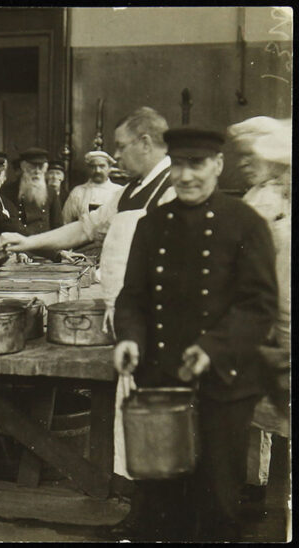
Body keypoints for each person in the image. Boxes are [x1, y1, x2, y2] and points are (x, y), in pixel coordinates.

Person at [112, 127, 277, 542]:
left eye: (197, 164)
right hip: (162, 384)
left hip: (223, 385)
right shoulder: (153, 225)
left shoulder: (245, 224)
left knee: (217, 501)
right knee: (160, 499)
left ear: (218, 166)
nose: (185, 176)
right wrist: (129, 337)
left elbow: (258, 306)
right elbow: (132, 298)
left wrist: (212, 348)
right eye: (178, 165)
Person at [1, 107, 178, 481]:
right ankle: (136, 503)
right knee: (132, 417)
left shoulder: (171, 188)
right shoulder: (134, 189)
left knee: (156, 422)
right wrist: (27, 242)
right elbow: (85, 228)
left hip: (156, 323)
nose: (116, 156)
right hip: (126, 318)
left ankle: (156, 516)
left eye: (121, 146)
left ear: (145, 143)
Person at [227, 116, 291, 504]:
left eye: (251, 156)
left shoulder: (273, 200)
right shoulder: (258, 197)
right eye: (242, 156)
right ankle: (255, 488)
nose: (244, 163)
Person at [1, 147, 63, 234]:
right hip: (19, 242)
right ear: (24, 167)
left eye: (40, 167)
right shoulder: (8, 191)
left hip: (45, 243)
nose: (37, 171)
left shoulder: (51, 193)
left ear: (45, 169)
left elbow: (57, 225)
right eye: (33, 166)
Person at [62, 151, 123, 224]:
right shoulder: (78, 192)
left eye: (102, 166)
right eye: (93, 166)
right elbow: (65, 221)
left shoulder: (119, 191)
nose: (97, 170)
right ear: (88, 168)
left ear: (109, 168)